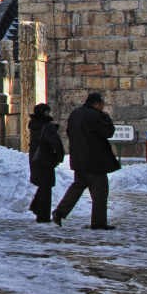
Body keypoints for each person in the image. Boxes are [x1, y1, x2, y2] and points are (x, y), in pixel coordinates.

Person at [53, 92, 120, 229]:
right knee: (100, 193)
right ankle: (99, 223)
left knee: (76, 188)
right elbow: (108, 132)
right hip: (95, 161)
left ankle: (59, 212)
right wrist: (106, 118)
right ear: (96, 103)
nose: (103, 107)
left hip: (78, 159)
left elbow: (69, 132)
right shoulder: (96, 116)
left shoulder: (75, 114)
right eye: (102, 104)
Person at [27, 103, 64, 223]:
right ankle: (43, 216)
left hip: (35, 159)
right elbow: (56, 143)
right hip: (46, 159)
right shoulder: (47, 127)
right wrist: (59, 157)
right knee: (46, 188)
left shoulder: (34, 125)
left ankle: (36, 208)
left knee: (43, 186)